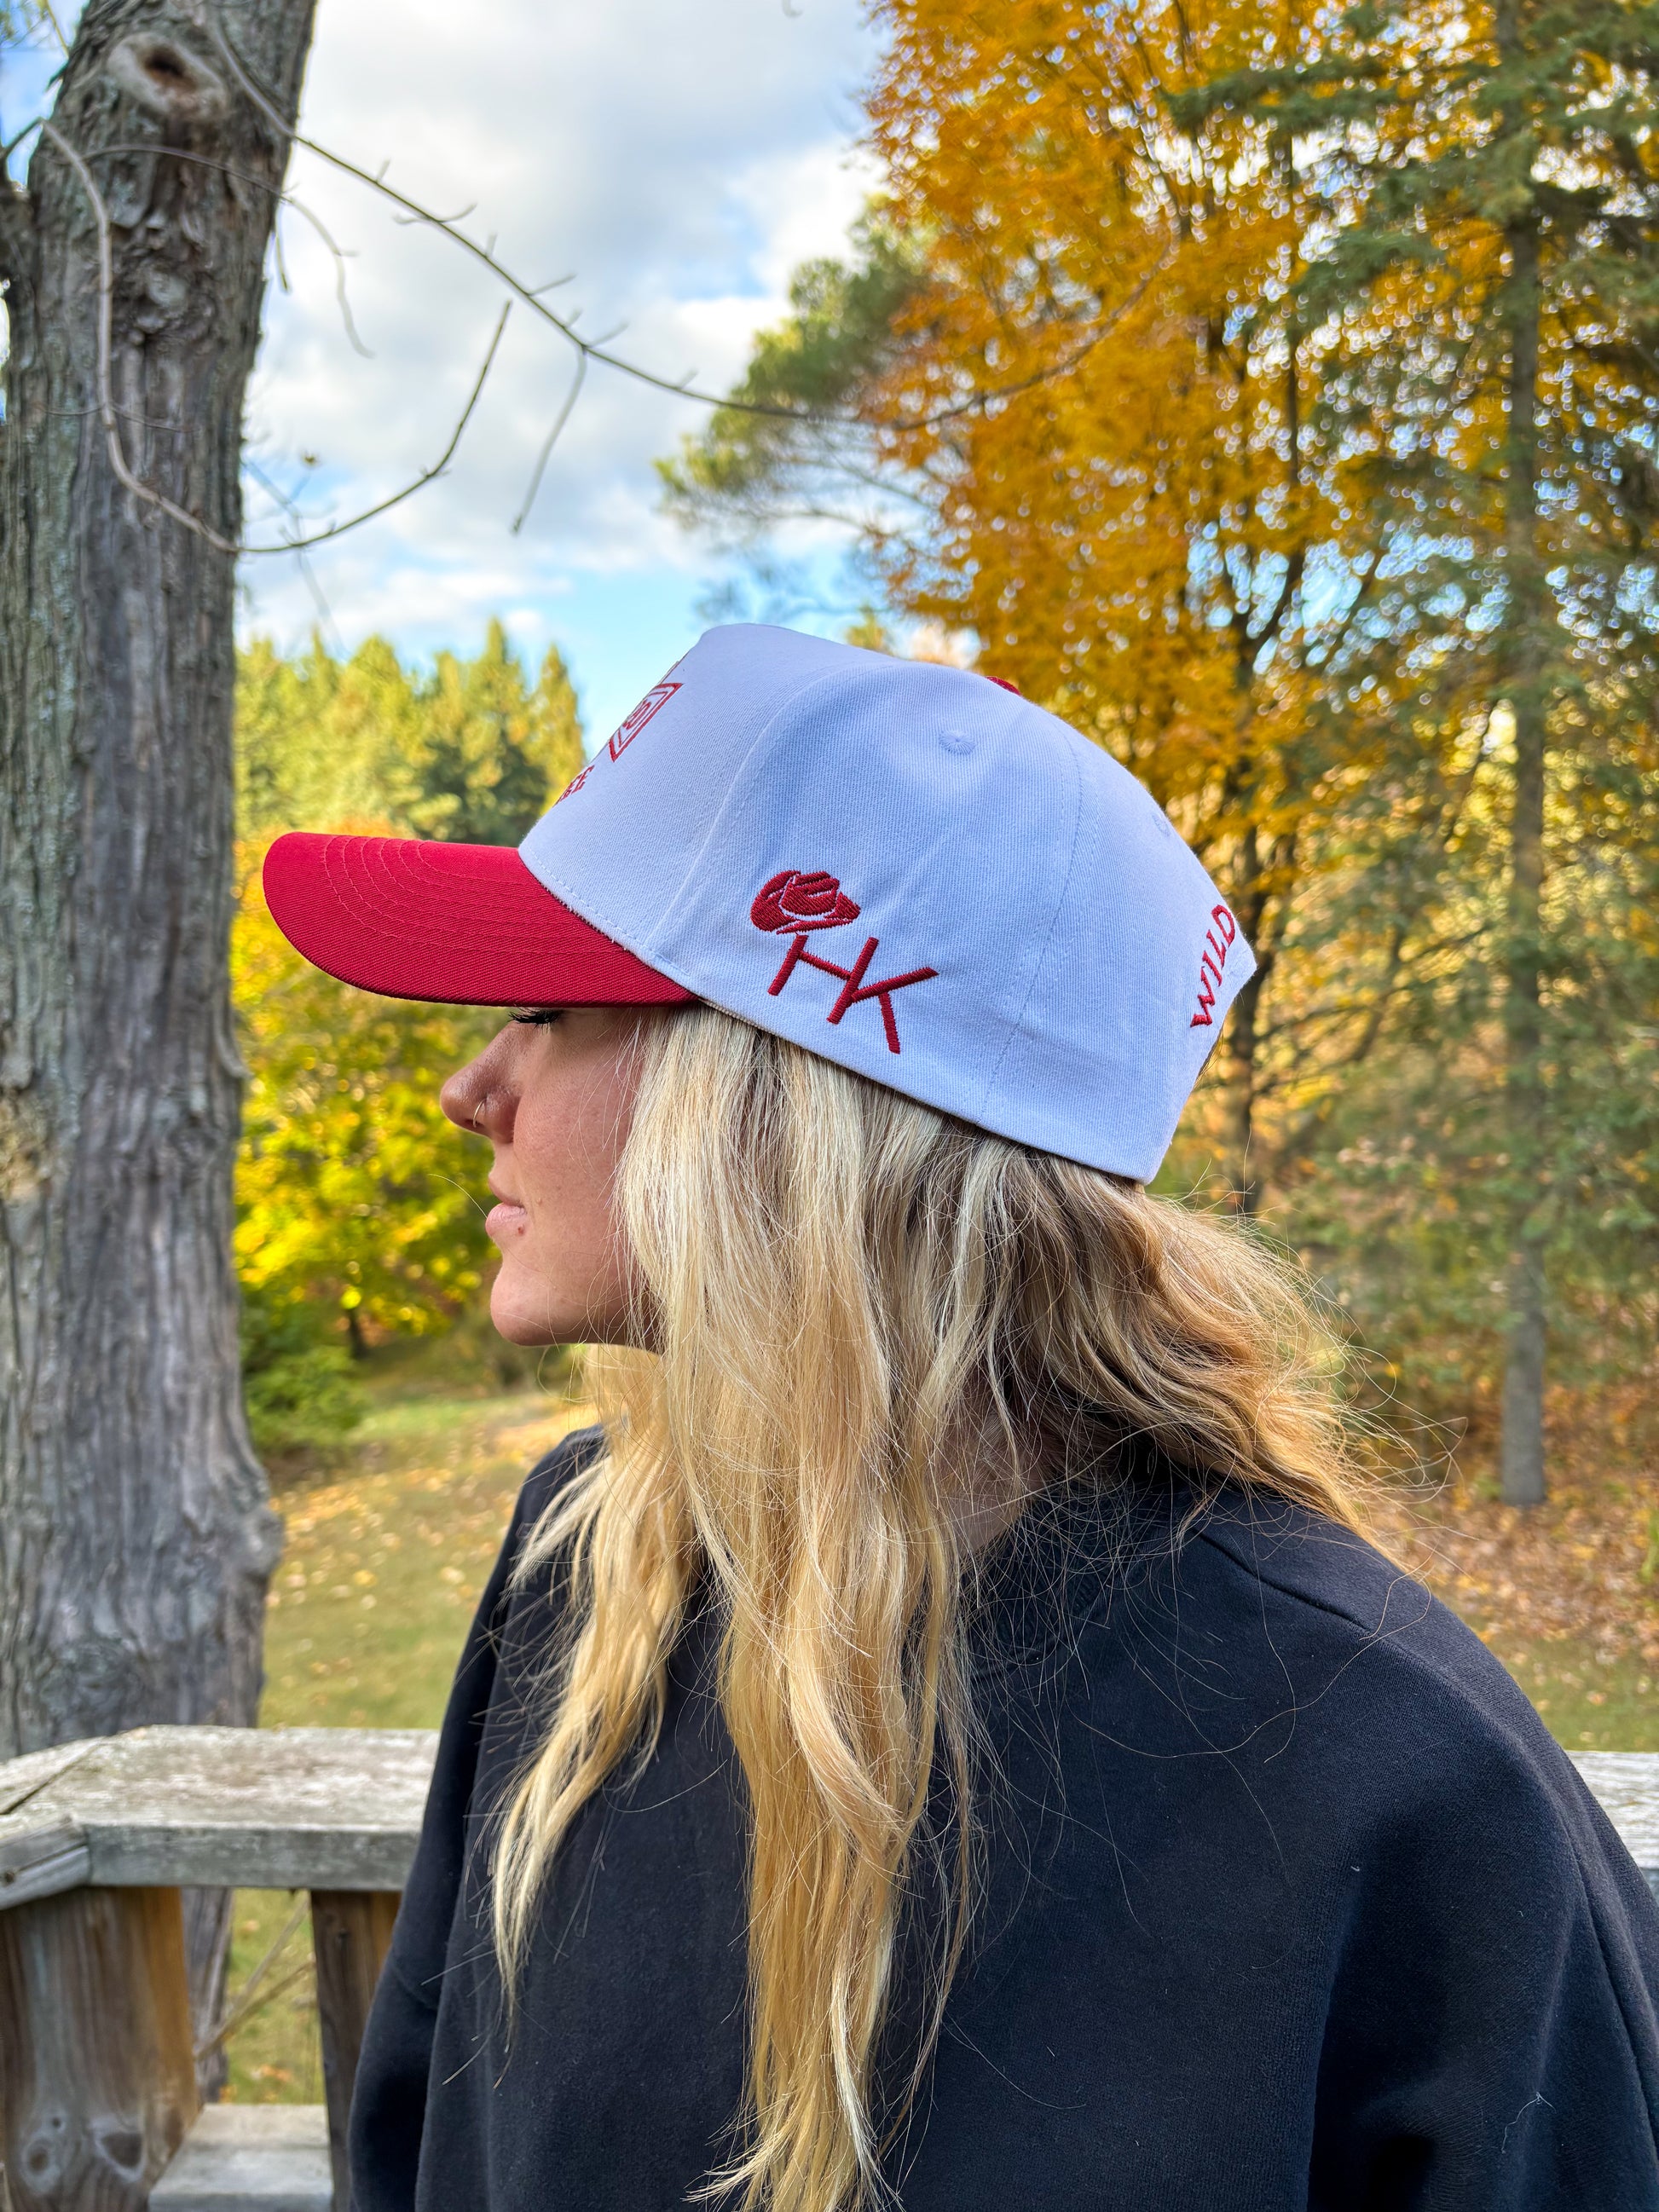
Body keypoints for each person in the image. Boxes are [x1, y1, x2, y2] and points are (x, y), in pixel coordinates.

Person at [263, 625, 1659, 2212]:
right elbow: (417, 2151)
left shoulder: (1393, 1773)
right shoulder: (585, 1572)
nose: (472, 1084)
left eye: (546, 1007)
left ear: (783, 1100)